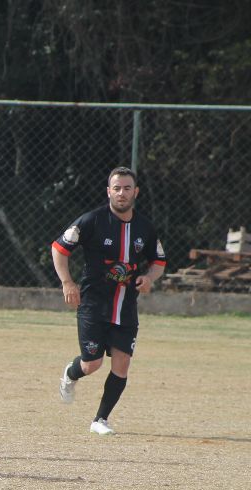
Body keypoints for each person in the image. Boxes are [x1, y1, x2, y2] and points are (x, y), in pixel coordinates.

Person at [53, 166, 166, 435]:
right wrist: (68, 283)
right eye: (117, 188)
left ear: (136, 192)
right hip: (93, 305)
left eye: (127, 188)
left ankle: (100, 420)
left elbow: (159, 261)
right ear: (108, 192)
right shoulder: (91, 221)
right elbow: (59, 249)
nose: (122, 193)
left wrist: (149, 278)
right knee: (92, 364)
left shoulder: (145, 228)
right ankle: (71, 373)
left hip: (126, 307)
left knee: (122, 363)